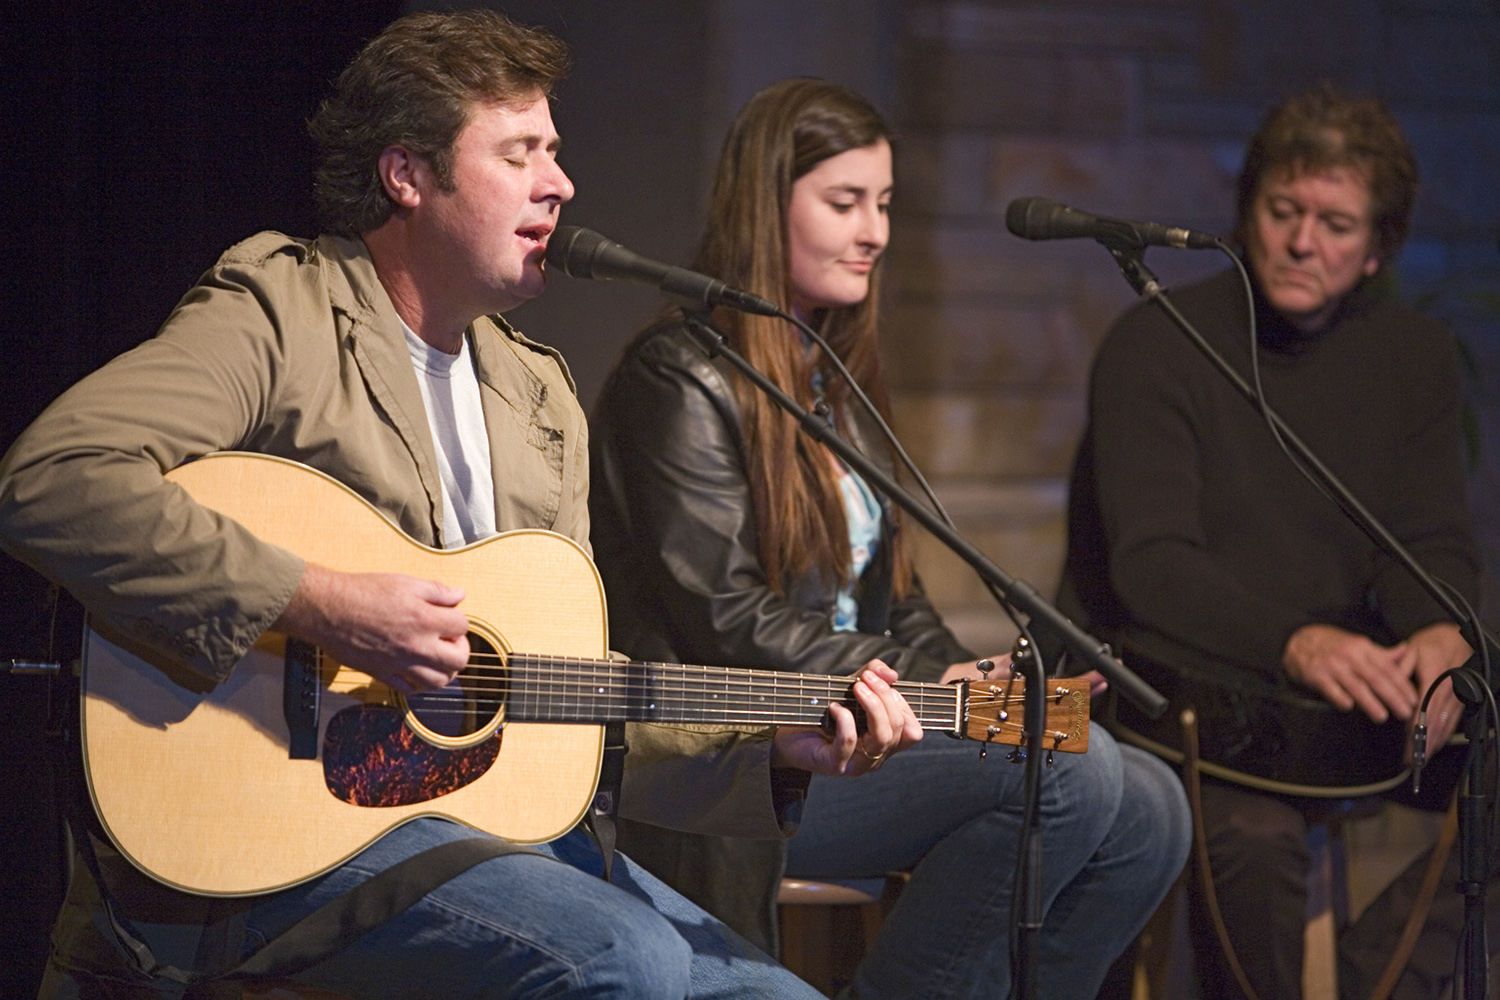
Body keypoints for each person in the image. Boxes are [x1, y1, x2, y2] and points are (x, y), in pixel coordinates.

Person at [0, 13, 926, 1000]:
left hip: (479, 840)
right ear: (407, 174)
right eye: (521, 153)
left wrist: (773, 749)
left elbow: (565, 705)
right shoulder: (283, 312)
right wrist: (317, 601)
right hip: (277, 852)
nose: (561, 184)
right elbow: (56, 477)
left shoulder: (539, 398)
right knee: (627, 960)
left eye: (558, 154)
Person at [588, 77, 1191, 1000]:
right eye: (844, 203)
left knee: (1153, 808)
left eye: (884, 205)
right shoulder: (675, 380)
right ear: (766, 202)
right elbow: (725, 617)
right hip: (745, 753)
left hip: (864, 717)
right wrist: (911, 682)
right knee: (1073, 779)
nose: (874, 230)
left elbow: (895, 600)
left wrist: (957, 676)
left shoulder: (832, 383)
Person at [1059, 84, 1485, 999]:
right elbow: (1151, 567)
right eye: (1283, 212)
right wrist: (1298, 643)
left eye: (1335, 223)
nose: (1302, 243)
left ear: (1378, 249)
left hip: (1344, 707)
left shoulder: (1412, 359)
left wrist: (1444, 634)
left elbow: (1428, 540)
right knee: (1253, 842)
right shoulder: (1159, 342)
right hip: (1191, 700)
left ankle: (1381, 981)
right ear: (1247, 212)